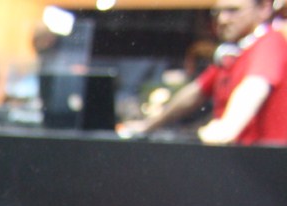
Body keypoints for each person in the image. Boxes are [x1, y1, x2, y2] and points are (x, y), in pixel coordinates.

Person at [122, 0, 287, 145]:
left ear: (264, 8)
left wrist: (227, 127)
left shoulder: (270, 42)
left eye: (233, 10)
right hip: (240, 158)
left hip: (265, 162)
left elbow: (255, 86)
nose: (222, 20)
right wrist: (147, 126)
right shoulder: (234, 55)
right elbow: (194, 94)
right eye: (217, 13)